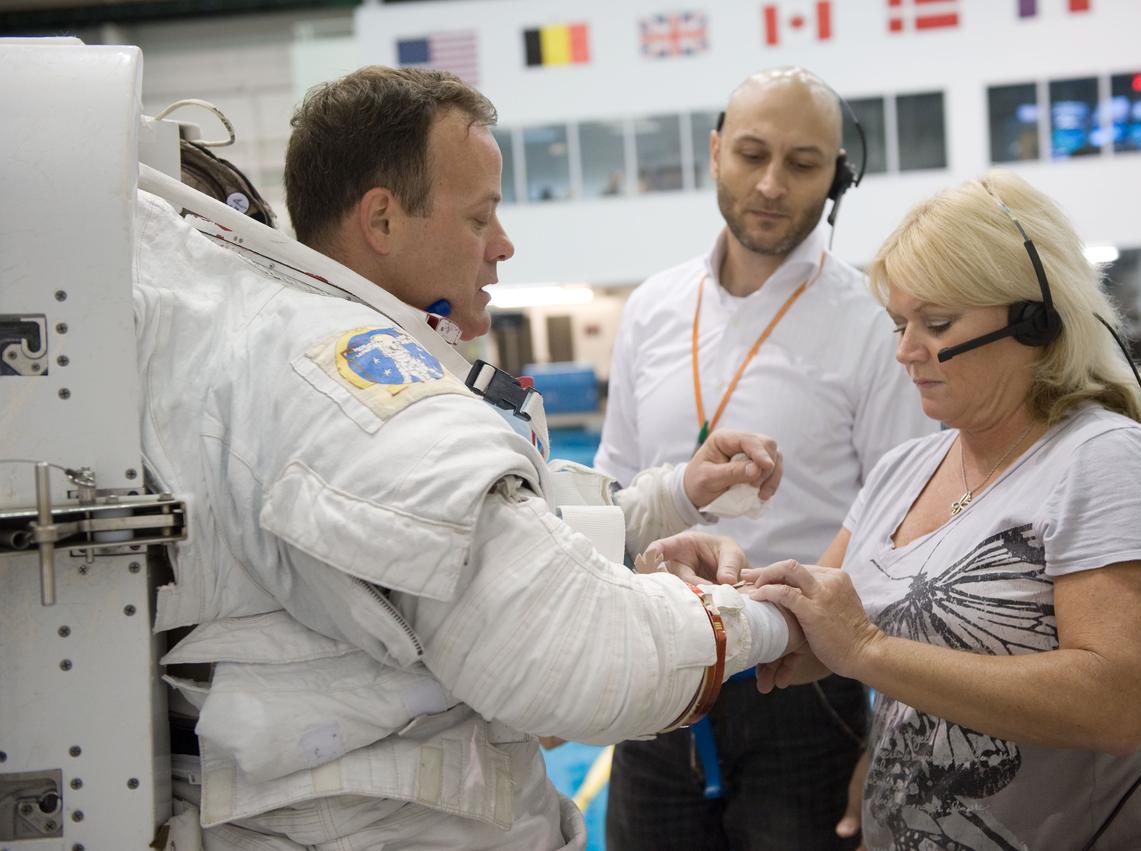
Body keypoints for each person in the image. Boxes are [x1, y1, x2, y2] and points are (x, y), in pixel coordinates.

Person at [142, 66, 805, 850]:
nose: (503, 244)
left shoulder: (293, 354)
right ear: (382, 219)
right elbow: (579, 652)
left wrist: (665, 503)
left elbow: (468, 543)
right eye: (479, 216)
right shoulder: (349, 380)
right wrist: (782, 618)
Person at [663, 170, 1141, 850]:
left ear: (1032, 318)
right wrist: (723, 588)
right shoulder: (905, 470)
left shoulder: (1109, 463)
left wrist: (871, 651)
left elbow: (1115, 703)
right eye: (901, 324)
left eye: (936, 324)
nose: (905, 351)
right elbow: (821, 633)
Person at [594, 66, 934, 850]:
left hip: (805, 688)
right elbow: (605, 496)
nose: (773, 184)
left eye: (804, 163)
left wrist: (890, 729)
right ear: (715, 153)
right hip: (655, 677)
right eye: (751, 153)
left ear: (837, 178)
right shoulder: (652, 309)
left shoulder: (871, 324)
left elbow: (910, 535)